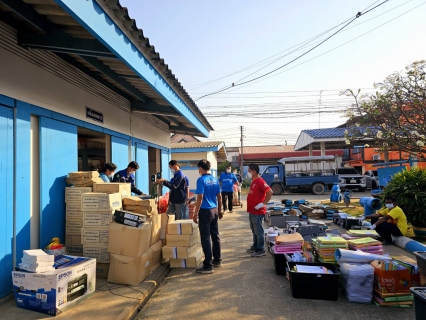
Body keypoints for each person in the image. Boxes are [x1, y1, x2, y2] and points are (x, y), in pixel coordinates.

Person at [193, 159, 222, 274]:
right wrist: (220, 210)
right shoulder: (215, 180)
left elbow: (200, 197)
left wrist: (195, 213)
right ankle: (217, 259)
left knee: (205, 237)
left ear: (200, 168)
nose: (198, 170)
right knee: (215, 236)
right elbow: (219, 196)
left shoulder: (201, 180)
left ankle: (208, 265)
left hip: (205, 211)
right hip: (214, 210)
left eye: (198, 168)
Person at [246, 163, 273, 257]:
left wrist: (263, 203)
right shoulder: (254, 181)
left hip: (258, 211)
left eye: (249, 171)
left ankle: (260, 249)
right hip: (252, 210)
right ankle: (255, 246)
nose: (248, 172)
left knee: (258, 230)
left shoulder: (260, 181)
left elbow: (270, 192)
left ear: (254, 171)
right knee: (254, 230)